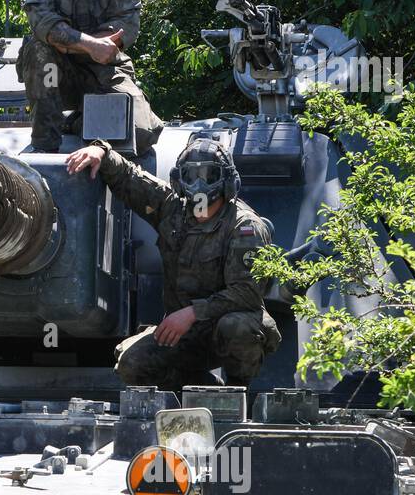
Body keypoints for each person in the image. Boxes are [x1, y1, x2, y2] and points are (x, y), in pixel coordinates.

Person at [65, 136, 281, 390]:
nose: (200, 184)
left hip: (226, 330)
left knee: (238, 327)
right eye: (192, 176)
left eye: (209, 175)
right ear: (180, 179)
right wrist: (100, 151)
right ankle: (205, 389)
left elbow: (246, 294)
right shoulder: (172, 209)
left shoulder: (245, 227)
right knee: (131, 364)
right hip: (184, 333)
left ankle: (236, 391)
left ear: (227, 181)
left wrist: (191, 313)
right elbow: (131, 179)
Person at [18, 0, 163, 155]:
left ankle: (76, 122)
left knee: (141, 133)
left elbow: (128, 22)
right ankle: (45, 145)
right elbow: (44, 25)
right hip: (59, 77)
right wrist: (91, 45)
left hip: (106, 68)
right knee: (38, 50)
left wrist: (70, 43)